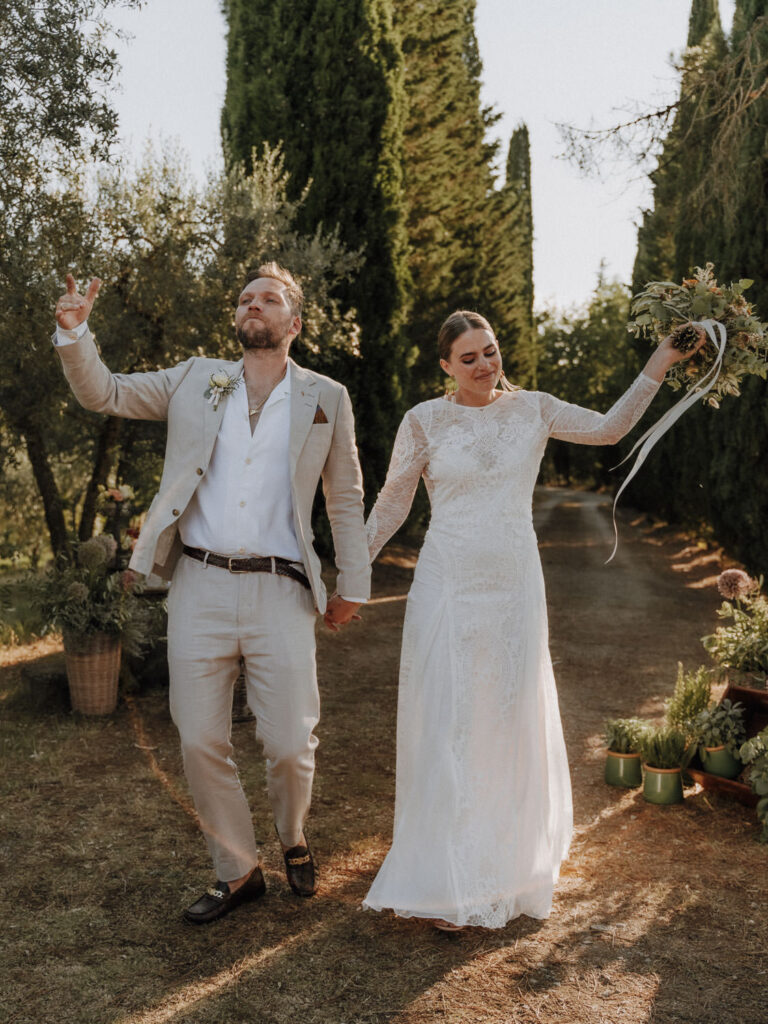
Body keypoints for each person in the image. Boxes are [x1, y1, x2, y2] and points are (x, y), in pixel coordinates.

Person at [362, 309, 705, 932]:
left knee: (503, 713)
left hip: (515, 583)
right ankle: (448, 870)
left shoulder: (535, 408)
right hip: (446, 583)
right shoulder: (423, 420)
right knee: (450, 716)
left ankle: (503, 861)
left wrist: (661, 361)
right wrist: (352, 572)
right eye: (468, 358)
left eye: (490, 351)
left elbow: (609, 428)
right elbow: (392, 503)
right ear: (445, 366)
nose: (485, 365)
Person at [53, 264, 370, 923]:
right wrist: (76, 334)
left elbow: (344, 497)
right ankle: (239, 869)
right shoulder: (198, 378)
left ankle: (293, 836)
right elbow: (104, 392)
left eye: (270, 298)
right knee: (199, 739)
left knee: (289, 742)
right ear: (238, 319)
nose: (254, 305)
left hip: (282, 592)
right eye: (246, 298)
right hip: (197, 584)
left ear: (295, 323)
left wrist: (354, 583)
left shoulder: (325, 398)